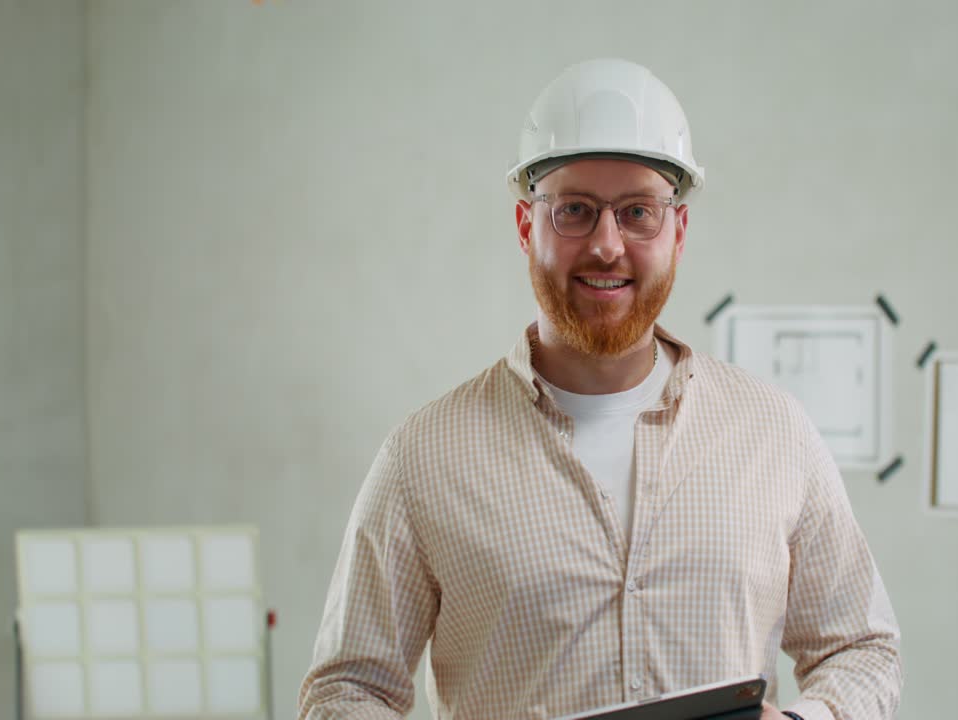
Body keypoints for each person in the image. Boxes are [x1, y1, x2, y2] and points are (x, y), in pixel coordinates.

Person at [299, 58, 902, 720]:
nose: (607, 246)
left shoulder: (774, 433)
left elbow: (862, 650)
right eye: (576, 211)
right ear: (528, 227)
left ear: (678, 231)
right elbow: (344, 692)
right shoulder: (423, 456)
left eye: (639, 211)